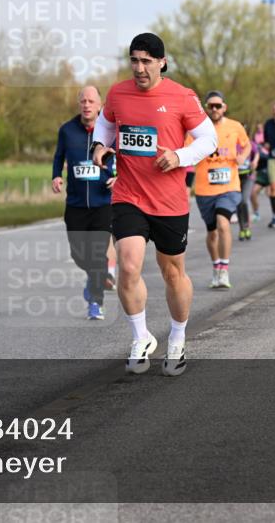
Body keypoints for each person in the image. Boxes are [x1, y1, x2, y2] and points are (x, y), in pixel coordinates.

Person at [91, 32, 216, 377]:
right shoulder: (118, 93)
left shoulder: (182, 96)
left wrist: (179, 155)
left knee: (172, 273)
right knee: (128, 267)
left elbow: (209, 139)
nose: (140, 68)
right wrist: (100, 148)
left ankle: (177, 338)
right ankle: (141, 336)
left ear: (162, 61)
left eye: (147, 61)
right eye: (134, 60)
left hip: (169, 199)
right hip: (129, 194)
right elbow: (104, 126)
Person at [52, 86, 116, 320]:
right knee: (79, 254)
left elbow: (124, 158)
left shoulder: (111, 132)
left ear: (100, 105)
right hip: (76, 204)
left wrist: (118, 178)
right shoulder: (67, 130)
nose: (86, 105)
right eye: (83, 101)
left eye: (91, 101)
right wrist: (56, 175)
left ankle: (96, 301)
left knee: (99, 254)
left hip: (102, 202)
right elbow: (59, 156)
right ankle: (96, 276)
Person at [192, 91, 249, 289]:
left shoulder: (235, 126)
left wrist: (242, 156)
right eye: (211, 106)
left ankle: (224, 270)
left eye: (218, 105)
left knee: (223, 223)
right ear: (206, 108)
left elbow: (246, 145)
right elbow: (186, 152)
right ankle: (216, 266)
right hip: (204, 189)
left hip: (229, 186)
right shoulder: (196, 129)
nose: (214, 109)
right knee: (212, 233)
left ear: (224, 107)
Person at [235, 134, 259, 241]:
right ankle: (242, 229)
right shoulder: (232, 144)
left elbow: (257, 153)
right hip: (235, 178)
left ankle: (247, 226)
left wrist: (255, 161)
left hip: (248, 176)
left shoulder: (249, 143)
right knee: (238, 203)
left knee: (244, 200)